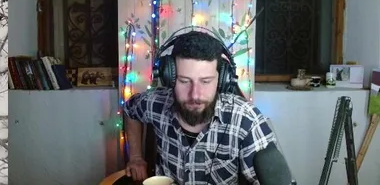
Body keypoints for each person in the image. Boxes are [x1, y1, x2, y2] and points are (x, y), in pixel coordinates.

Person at [124, 28, 295, 185]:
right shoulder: (155, 102)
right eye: (184, 81)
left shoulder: (246, 120)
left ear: (222, 80)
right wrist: (136, 157)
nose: (195, 95)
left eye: (206, 81)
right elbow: (130, 109)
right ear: (169, 77)